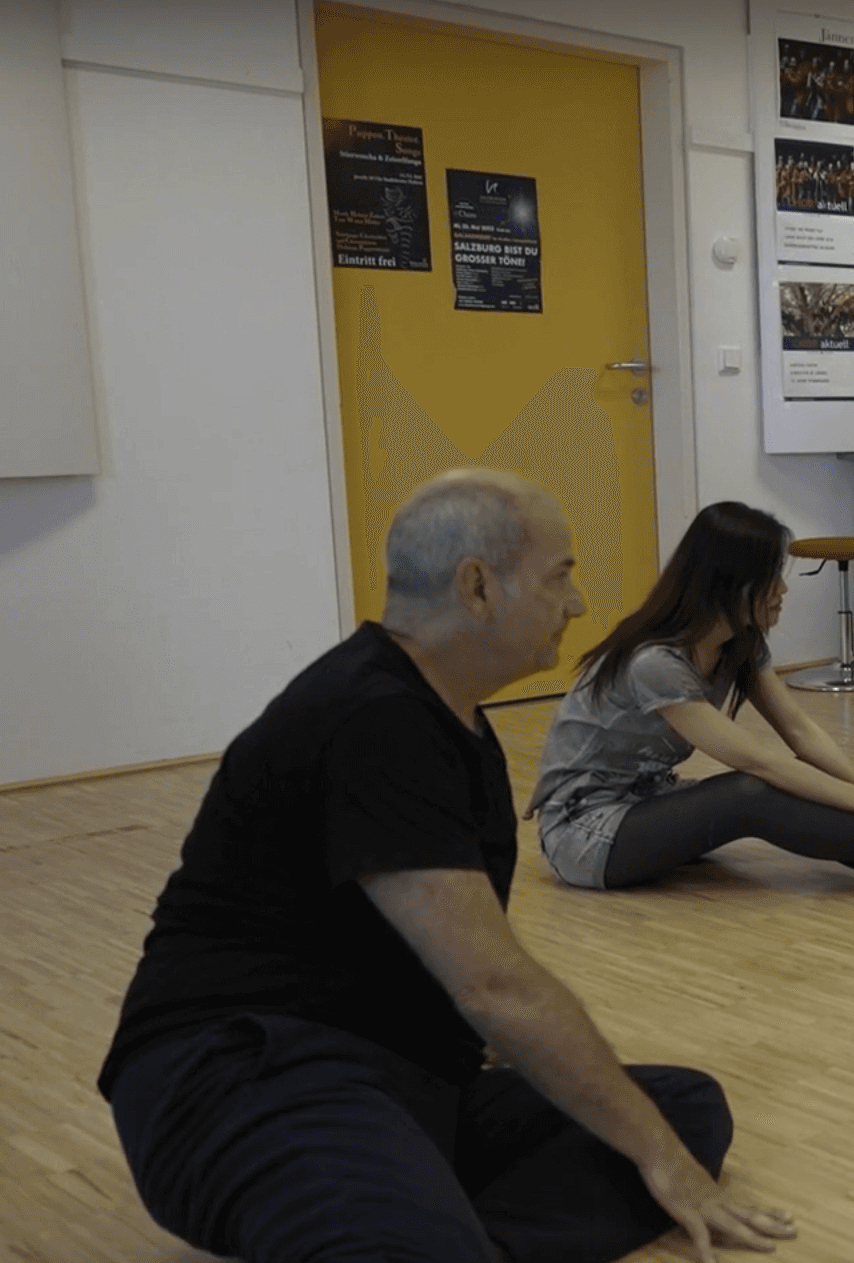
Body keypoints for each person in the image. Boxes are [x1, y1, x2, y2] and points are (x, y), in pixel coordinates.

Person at [99, 471, 793, 1263]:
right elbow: (494, 984)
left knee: (682, 1110)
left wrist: (656, 1148)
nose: (577, 603)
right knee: (650, 1151)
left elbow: (437, 961)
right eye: (559, 576)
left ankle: (439, 1234)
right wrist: (659, 1159)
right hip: (249, 1076)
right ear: (478, 586)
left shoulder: (453, 723)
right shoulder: (372, 716)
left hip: (401, 1073)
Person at [528, 501, 854, 900]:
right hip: (585, 833)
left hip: (648, 803)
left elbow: (800, 732)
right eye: (771, 577)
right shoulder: (654, 663)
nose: (783, 590)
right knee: (750, 792)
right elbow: (758, 762)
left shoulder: (739, 643)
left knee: (789, 786)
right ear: (728, 581)